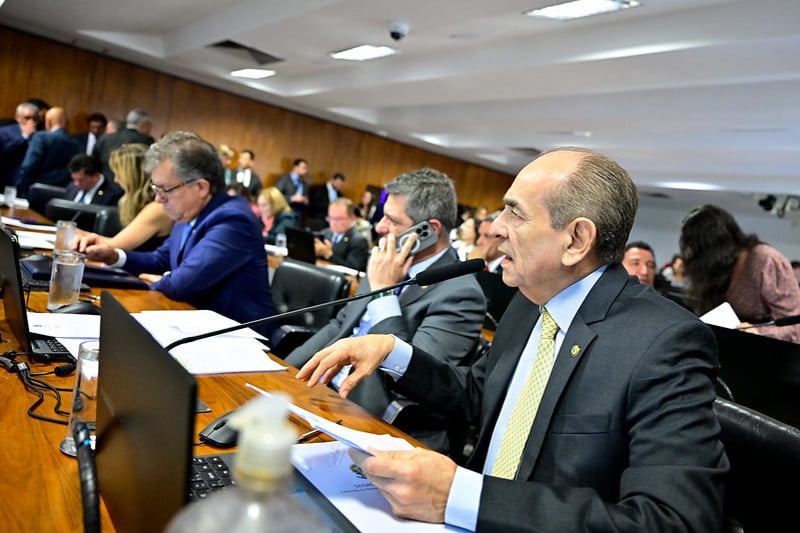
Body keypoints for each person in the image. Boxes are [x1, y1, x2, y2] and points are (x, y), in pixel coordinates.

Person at [297, 148, 727, 531]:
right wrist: (394, 351)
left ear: (576, 240)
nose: (494, 227)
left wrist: (460, 498)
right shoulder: (528, 301)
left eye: (514, 213)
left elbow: (674, 520)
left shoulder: (665, 342)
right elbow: (478, 396)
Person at [287, 168, 486, 452]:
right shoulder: (387, 259)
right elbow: (341, 326)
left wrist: (383, 294)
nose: (379, 227)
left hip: (377, 422)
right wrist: (287, 374)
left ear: (429, 230)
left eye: (391, 220)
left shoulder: (461, 293)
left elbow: (415, 376)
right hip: (326, 396)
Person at [75, 131, 274, 336]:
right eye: (155, 188)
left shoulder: (233, 220)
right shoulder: (188, 212)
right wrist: (114, 255)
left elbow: (182, 283)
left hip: (239, 341)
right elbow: (160, 260)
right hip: (192, 325)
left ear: (200, 187)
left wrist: (166, 280)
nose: (158, 200)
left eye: (165, 189)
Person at [680, 204, 800, 343]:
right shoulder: (715, 272)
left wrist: (757, 332)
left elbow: (794, 327)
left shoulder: (766, 261)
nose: (691, 254)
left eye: (695, 247)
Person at [73, 143, 173, 252]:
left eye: (119, 175)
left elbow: (115, 245)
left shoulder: (157, 208)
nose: (116, 180)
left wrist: (71, 230)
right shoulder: (131, 201)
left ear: (133, 176)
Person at [16, 107, 82, 196]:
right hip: (64, 194)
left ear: (49, 121)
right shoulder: (77, 144)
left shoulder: (41, 137)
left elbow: (28, 167)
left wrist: (20, 190)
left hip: (37, 192)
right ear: (67, 122)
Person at [92, 109, 155, 180]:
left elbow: (94, 164)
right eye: (149, 126)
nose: (149, 130)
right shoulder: (146, 140)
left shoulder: (104, 139)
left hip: (105, 186)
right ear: (144, 125)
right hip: (131, 186)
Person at [314, 198, 369, 271]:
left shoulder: (358, 241)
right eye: (330, 218)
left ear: (352, 218)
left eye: (338, 219)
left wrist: (329, 255)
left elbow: (353, 268)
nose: (333, 223)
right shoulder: (325, 233)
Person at [0, 102, 39, 188]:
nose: (31, 121)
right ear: (17, 117)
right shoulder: (4, 132)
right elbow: (4, 152)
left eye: (34, 118)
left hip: (29, 181)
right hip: (7, 179)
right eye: (27, 118)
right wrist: (24, 136)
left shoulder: (39, 136)